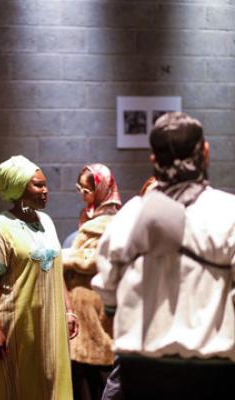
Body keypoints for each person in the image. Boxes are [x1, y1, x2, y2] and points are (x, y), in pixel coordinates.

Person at [93, 112, 235, 399]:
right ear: (205, 153)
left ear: (153, 160)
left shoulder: (127, 218)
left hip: (141, 374)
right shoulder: (229, 212)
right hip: (211, 373)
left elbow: (108, 306)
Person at [0, 155, 78, 400]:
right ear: (18, 187)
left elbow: (56, 268)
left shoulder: (47, 222)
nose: (45, 191)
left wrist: (69, 310)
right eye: (38, 185)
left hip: (51, 323)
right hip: (18, 323)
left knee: (53, 382)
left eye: (45, 184)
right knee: (21, 387)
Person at [63, 164, 121, 400]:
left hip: (101, 310)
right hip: (81, 314)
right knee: (84, 383)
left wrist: (63, 257)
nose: (82, 195)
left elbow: (94, 260)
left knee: (102, 382)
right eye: (80, 189)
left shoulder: (114, 222)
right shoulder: (88, 219)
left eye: (87, 189)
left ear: (102, 188)